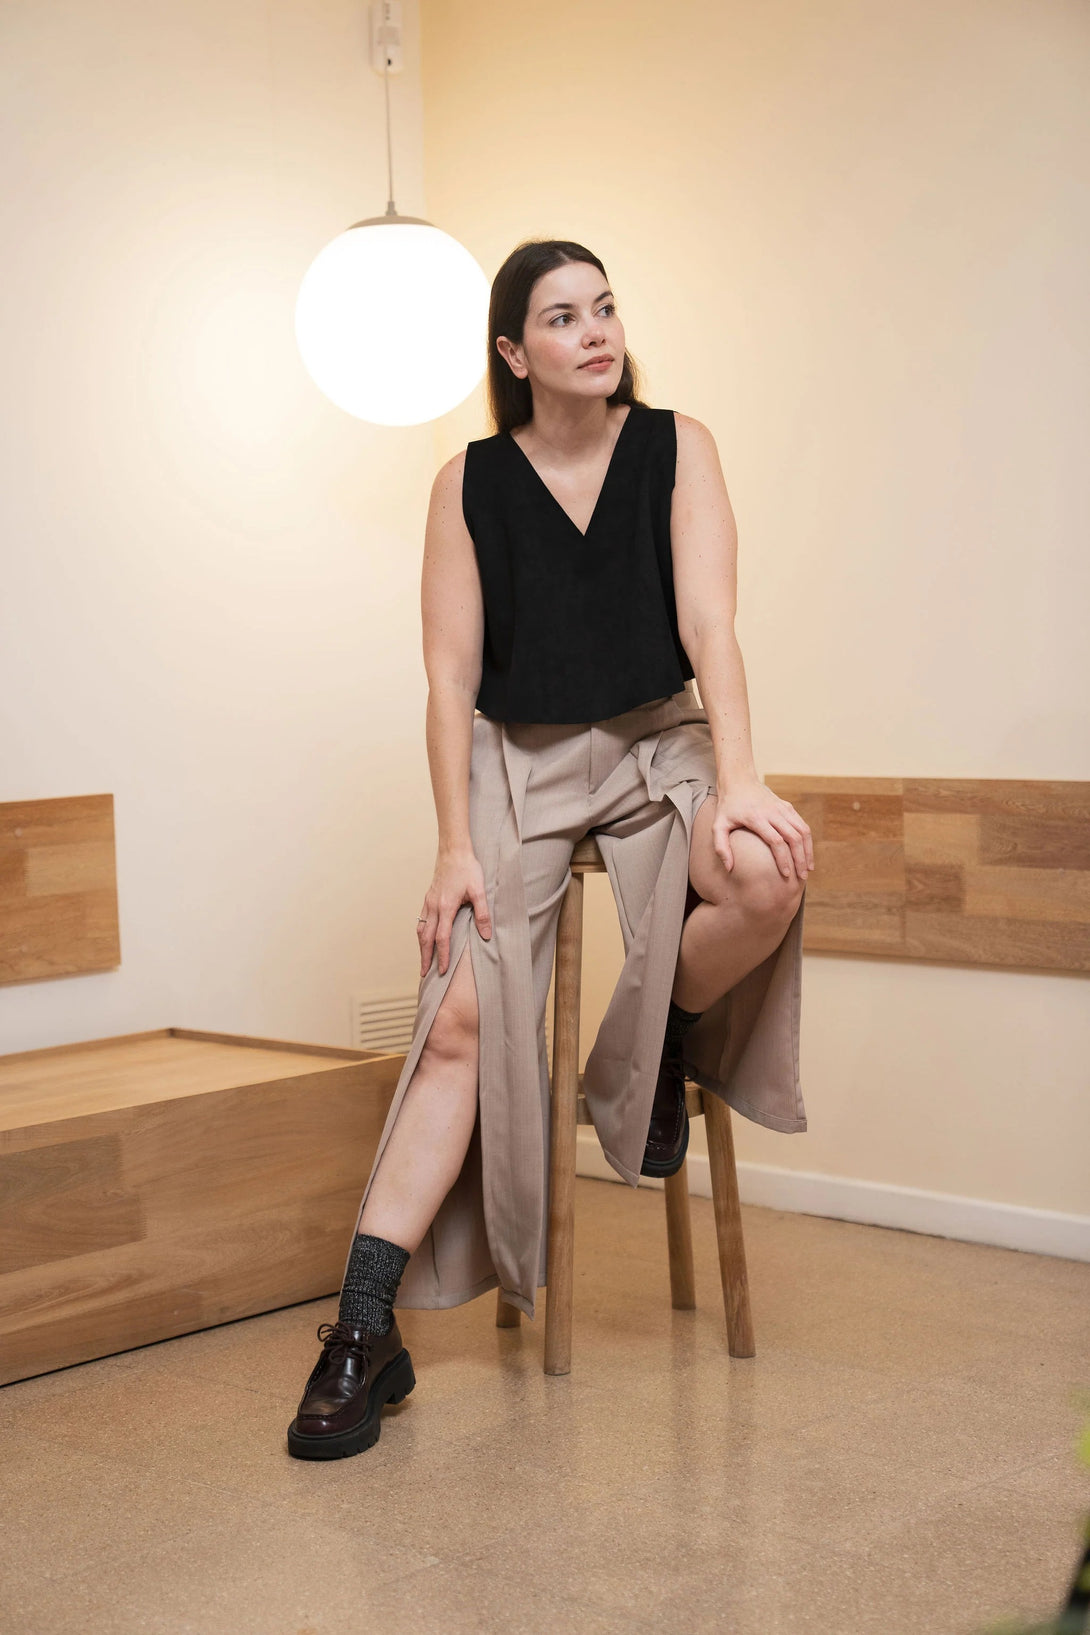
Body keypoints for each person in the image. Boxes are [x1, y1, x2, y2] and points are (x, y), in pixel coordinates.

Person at [286, 239, 813, 1461]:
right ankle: (363, 1328)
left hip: (655, 741)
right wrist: (451, 848)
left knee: (765, 874)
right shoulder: (466, 483)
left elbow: (711, 625)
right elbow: (447, 678)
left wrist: (738, 780)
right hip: (512, 759)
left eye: (605, 308)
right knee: (457, 1018)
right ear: (513, 354)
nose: (596, 332)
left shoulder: (678, 447)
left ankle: (653, 1049)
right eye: (563, 317)